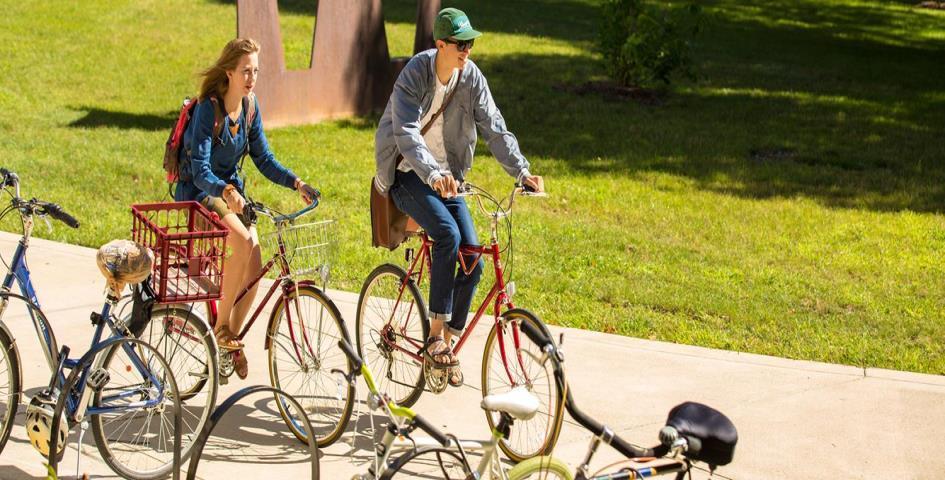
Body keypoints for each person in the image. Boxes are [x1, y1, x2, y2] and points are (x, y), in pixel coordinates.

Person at [374, 8, 545, 387]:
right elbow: (405, 132)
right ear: (440, 45)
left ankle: (447, 345)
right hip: (408, 173)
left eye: (470, 43)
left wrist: (521, 171)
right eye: (460, 43)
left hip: (448, 178)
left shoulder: (471, 78)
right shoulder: (416, 74)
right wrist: (432, 174)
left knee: (474, 258)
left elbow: (494, 127)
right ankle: (434, 337)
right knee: (447, 236)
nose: (467, 50)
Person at [175, 38, 319, 379]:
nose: (251, 77)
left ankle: (230, 339)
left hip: (231, 193)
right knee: (241, 241)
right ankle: (220, 330)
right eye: (245, 71)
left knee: (254, 263)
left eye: (255, 71)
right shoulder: (209, 109)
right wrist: (225, 190)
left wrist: (296, 183)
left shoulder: (250, 107)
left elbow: (264, 159)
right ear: (229, 72)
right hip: (201, 190)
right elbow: (200, 169)